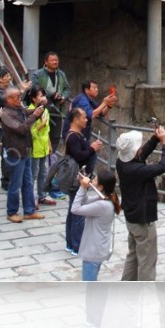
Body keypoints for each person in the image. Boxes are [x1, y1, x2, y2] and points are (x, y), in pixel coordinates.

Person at [116, 125, 165, 280]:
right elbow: (162, 166)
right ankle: (146, 296)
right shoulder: (136, 170)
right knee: (147, 261)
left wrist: (155, 139)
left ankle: (126, 289)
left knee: (133, 256)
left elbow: (140, 155)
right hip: (142, 220)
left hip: (131, 216)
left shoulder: (122, 162)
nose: (140, 147)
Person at [0, 84, 46, 222]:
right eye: (17, 97)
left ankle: (29, 210)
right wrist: (35, 115)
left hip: (25, 150)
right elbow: (21, 129)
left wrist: (40, 107)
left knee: (28, 182)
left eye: (19, 96)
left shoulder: (18, 109)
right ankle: (11, 212)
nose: (20, 99)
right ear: (8, 99)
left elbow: (28, 112)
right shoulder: (6, 114)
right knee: (15, 183)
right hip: (15, 153)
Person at [62, 106, 105, 254]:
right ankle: (76, 244)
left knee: (72, 210)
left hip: (81, 178)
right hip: (77, 179)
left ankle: (70, 242)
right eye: (84, 118)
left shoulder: (79, 134)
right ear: (75, 120)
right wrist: (92, 148)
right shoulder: (73, 136)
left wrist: (92, 147)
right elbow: (79, 156)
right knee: (78, 211)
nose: (86, 120)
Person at [72, 167, 121, 281]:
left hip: (93, 251)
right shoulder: (104, 198)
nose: (92, 179)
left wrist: (82, 187)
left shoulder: (102, 205)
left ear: (101, 187)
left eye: (95, 179)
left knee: (90, 286)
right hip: (97, 248)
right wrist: (84, 188)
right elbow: (85, 202)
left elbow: (75, 209)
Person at [27, 85, 57, 207]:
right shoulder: (30, 111)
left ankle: (42, 195)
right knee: (33, 174)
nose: (43, 98)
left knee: (43, 173)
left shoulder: (45, 110)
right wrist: (42, 124)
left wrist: (49, 144)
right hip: (34, 148)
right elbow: (30, 132)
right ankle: (30, 198)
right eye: (40, 95)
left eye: (43, 95)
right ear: (34, 98)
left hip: (44, 146)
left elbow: (47, 130)